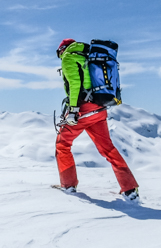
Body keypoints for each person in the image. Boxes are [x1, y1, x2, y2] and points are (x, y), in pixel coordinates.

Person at [55, 38, 140, 202]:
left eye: (59, 53)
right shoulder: (88, 55)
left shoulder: (68, 57)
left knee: (62, 144)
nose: (60, 56)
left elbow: (74, 84)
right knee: (108, 148)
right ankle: (130, 189)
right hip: (99, 108)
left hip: (83, 110)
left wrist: (73, 110)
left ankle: (68, 185)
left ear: (62, 49)